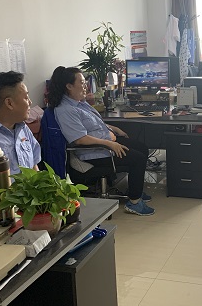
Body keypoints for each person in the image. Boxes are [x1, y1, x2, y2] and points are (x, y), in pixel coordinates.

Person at [48, 66, 154, 216]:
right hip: (95, 152)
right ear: (69, 86)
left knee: (142, 147)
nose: (85, 86)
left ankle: (134, 190)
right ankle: (134, 203)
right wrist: (109, 144)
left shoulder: (79, 103)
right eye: (82, 82)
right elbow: (80, 139)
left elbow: (95, 124)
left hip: (105, 144)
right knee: (138, 159)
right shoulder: (65, 110)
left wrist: (114, 128)